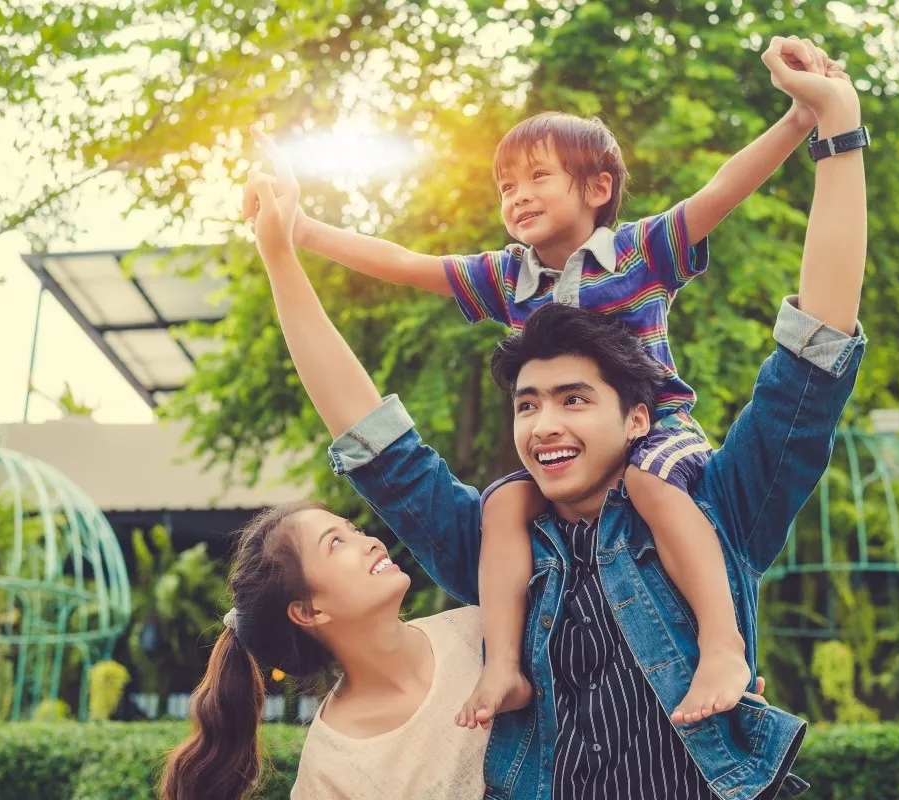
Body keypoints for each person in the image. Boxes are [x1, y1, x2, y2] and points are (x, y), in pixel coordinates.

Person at [249, 33, 867, 800]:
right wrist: (284, 248)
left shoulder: (716, 508)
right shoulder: (497, 545)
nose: (544, 424)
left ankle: (724, 648)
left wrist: (833, 126)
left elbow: (815, 351)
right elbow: (373, 438)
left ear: (637, 416)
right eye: (526, 404)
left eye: (574, 399)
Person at [157, 501, 490, 800]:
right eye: (335, 542)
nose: (370, 541)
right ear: (309, 611)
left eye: (354, 529)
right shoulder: (329, 770)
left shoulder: (481, 631)